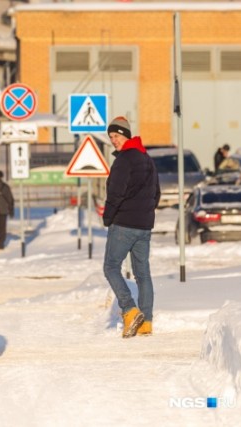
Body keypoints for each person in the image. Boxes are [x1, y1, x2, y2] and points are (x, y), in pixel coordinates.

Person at [102, 116, 160, 339]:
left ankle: (130, 310)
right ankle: (146, 323)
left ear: (125, 135)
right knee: (143, 274)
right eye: (111, 137)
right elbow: (156, 193)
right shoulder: (147, 159)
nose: (113, 140)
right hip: (144, 225)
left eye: (116, 136)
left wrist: (108, 218)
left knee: (110, 267)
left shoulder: (124, 160)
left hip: (124, 224)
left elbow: (115, 193)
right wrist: (145, 212)